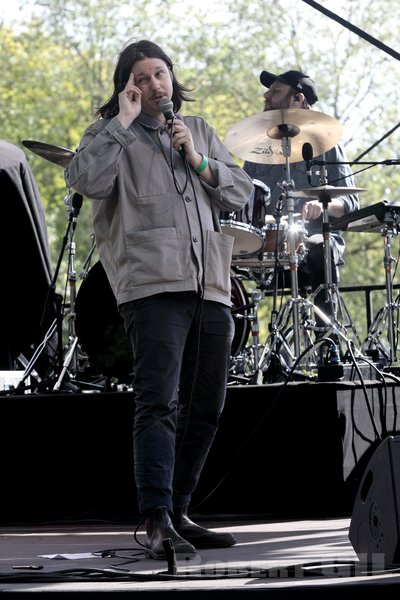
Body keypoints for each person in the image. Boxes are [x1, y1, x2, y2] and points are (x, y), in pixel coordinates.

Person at [65, 39, 254, 560]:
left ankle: (180, 509)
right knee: (159, 404)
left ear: (172, 79)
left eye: (160, 74)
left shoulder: (200, 131)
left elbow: (241, 191)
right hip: (151, 288)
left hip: (210, 285)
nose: (154, 85)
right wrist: (122, 126)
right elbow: (85, 179)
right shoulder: (109, 134)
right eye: (142, 78)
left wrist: (195, 157)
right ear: (127, 87)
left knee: (208, 407)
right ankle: (154, 520)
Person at [243, 70, 359, 331]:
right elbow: (243, 197)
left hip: (312, 240)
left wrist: (324, 205)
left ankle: (328, 342)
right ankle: (236, 352)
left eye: (275, 91)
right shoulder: (256, 147)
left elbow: (352, 202)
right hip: (270, 241)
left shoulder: (326, 142)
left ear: (297, 98)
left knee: (321, 248)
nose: (266, 95)